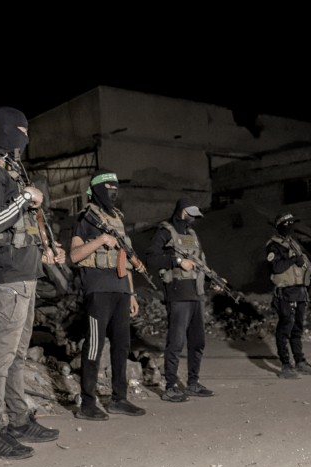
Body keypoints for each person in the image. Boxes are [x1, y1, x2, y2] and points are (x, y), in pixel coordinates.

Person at [0, 107, 65, 460]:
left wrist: (48, 250)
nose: (25, 136)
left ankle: (19, 420)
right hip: (7, 274)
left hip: (26, 270)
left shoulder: (10, 167)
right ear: (6, 131)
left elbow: (22, 225)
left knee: (17, 354)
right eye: (21, 130)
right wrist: (25, 197)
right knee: (1, 355)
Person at [70, 170, 146, 420]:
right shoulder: (87, 218)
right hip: (98, 289)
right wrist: (101, 239)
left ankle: (119, 399)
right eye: (108, 186)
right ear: (97, 189)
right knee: (94, 346)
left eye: (116, 186)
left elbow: (124, 257)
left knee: (122, 346)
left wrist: (132, 292)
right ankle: (88, 403)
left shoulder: (118, 219)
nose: (113, 190)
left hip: (121, 290)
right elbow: (74, 255)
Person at [146, 197, 216, 402]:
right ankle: (170, 387)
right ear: (184, 212)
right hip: (178, 294)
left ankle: (193, 384)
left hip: (197, 294)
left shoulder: (192, 234)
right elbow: (151, 258)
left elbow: (201, 263)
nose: (194, 220)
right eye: (192, 215)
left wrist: (214, 280)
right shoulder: (166, 231)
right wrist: (177, 260)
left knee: (198, 342)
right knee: (176, 342)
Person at [266, 213, 311, 379]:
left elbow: (304, 266)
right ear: (280, 225)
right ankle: (285, 365)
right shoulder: (273, 245)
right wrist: (293, 260)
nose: (291, 226)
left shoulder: (294, 244)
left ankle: (300, 361)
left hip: (300, 292)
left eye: (292, 223)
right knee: (285, 328)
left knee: (297, 329)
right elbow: (276, 267)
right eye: (287, 223)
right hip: (285, 292)